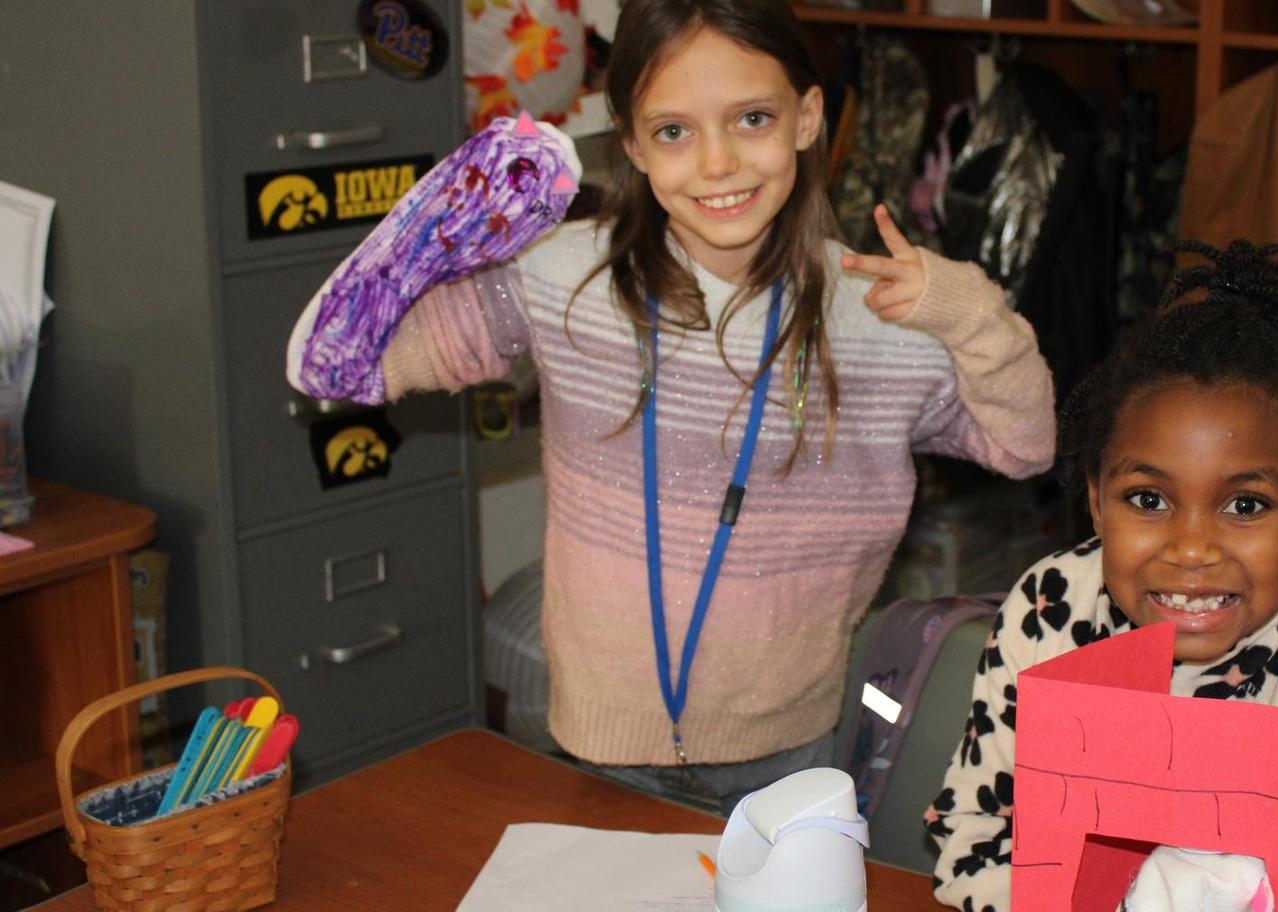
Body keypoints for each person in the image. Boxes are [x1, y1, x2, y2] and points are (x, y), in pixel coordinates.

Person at [301, 0, 1054, 812]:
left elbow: (1026, 445)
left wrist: (972, 312)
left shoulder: (883, 317)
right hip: (604, 745)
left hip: (790, 748)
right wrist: (438, 241)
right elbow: (348, 367)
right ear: (630, 142)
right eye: (673, 133)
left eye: (753, 118)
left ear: (807, 119)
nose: (718, 163)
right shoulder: (563, 278)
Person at [927, 239, 1278, 911]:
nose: (1190, 549)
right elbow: (972, 845)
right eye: (1148, 500)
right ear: (1097, 502)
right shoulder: (1050, 610)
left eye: (1245, 505)